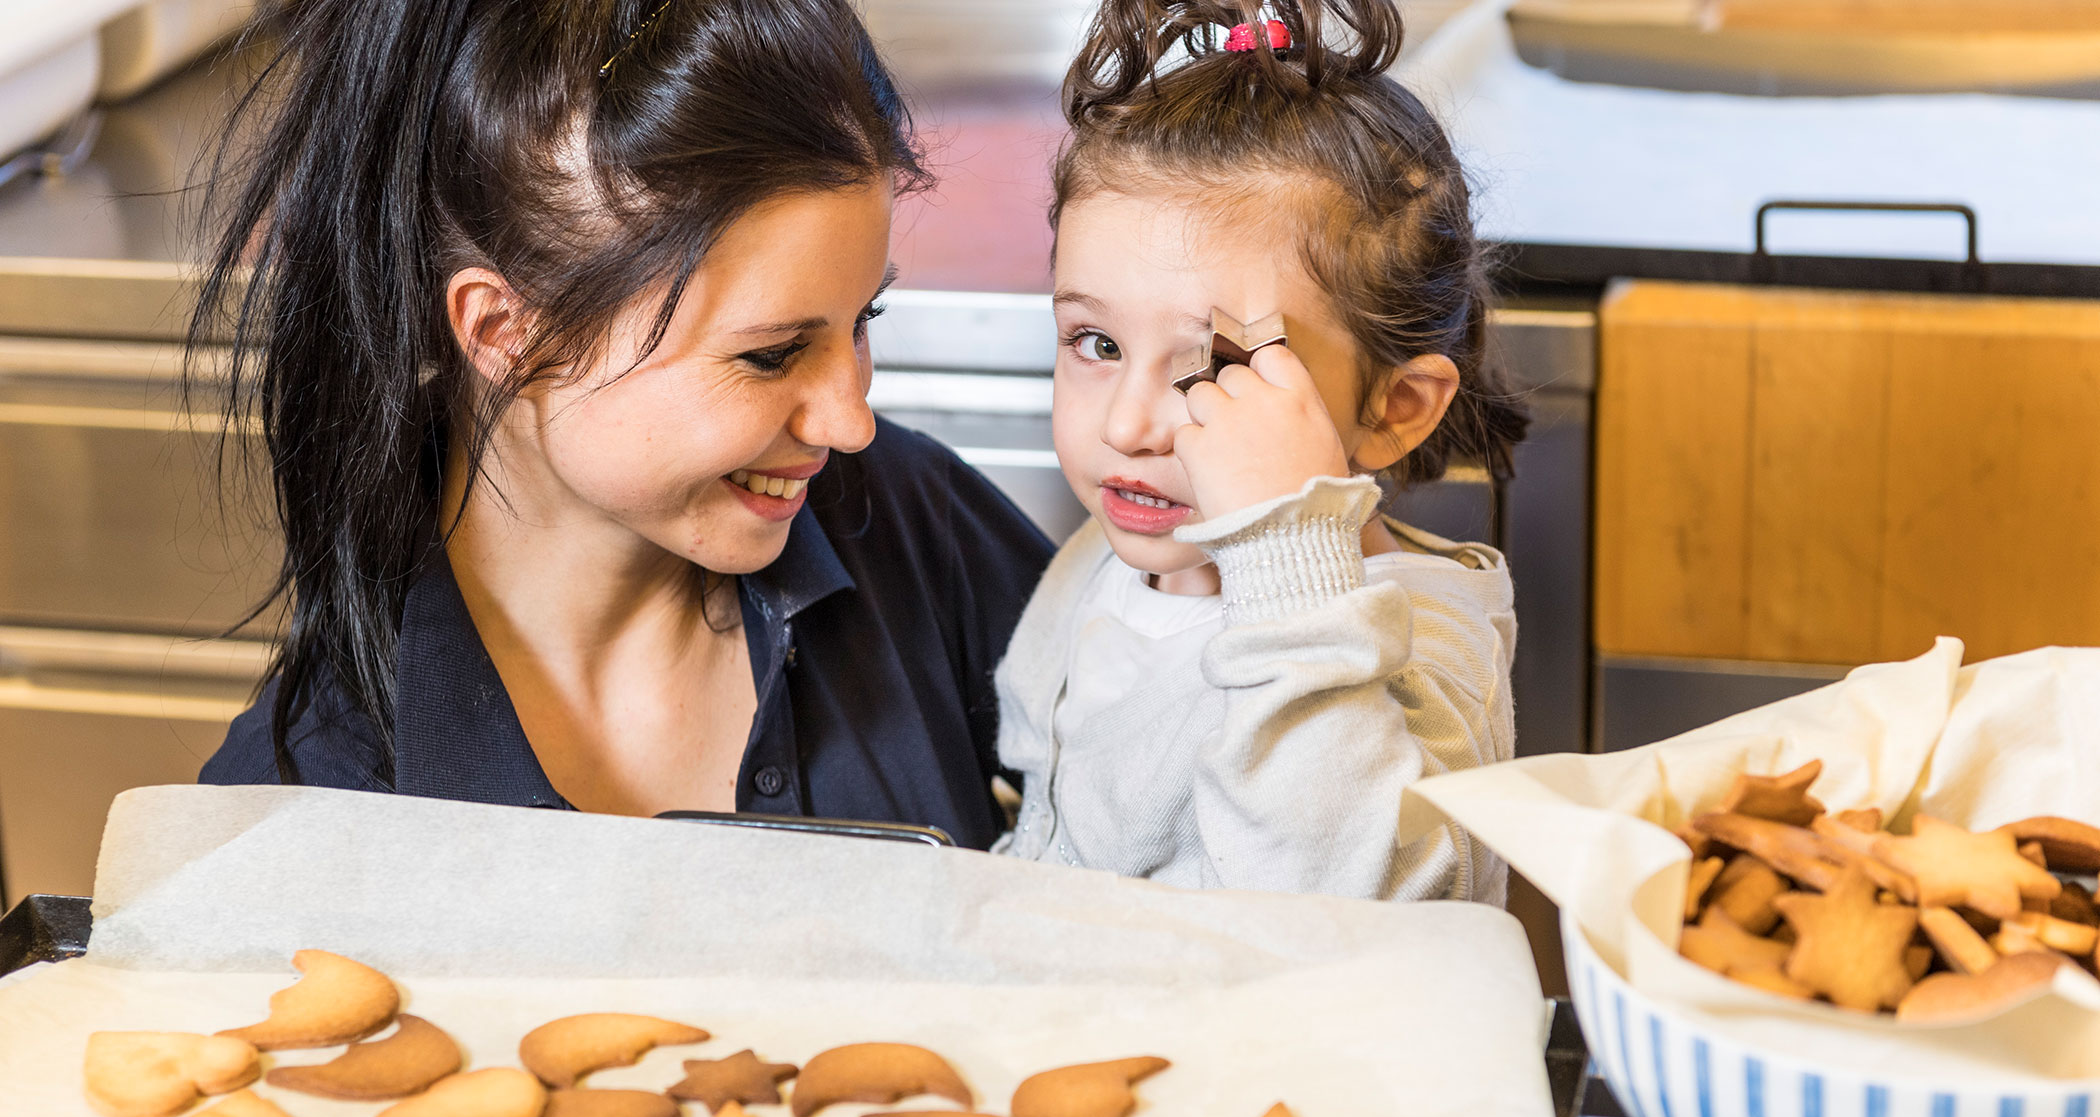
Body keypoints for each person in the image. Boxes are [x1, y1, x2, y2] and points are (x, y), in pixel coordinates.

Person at [192, 0, 1053, 849]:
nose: (850, 421)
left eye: (863, 318)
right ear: (504, 332)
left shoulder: (906, 521)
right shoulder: (312, 806)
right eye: (771, 354)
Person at [992, 0, 1530, 899]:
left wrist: (1284, 555)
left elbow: (1338, 907)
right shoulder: (1109, 554)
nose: (1127, 426)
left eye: (1215, 365)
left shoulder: (1431, 660)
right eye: (1096, 343)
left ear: (1394, 406)